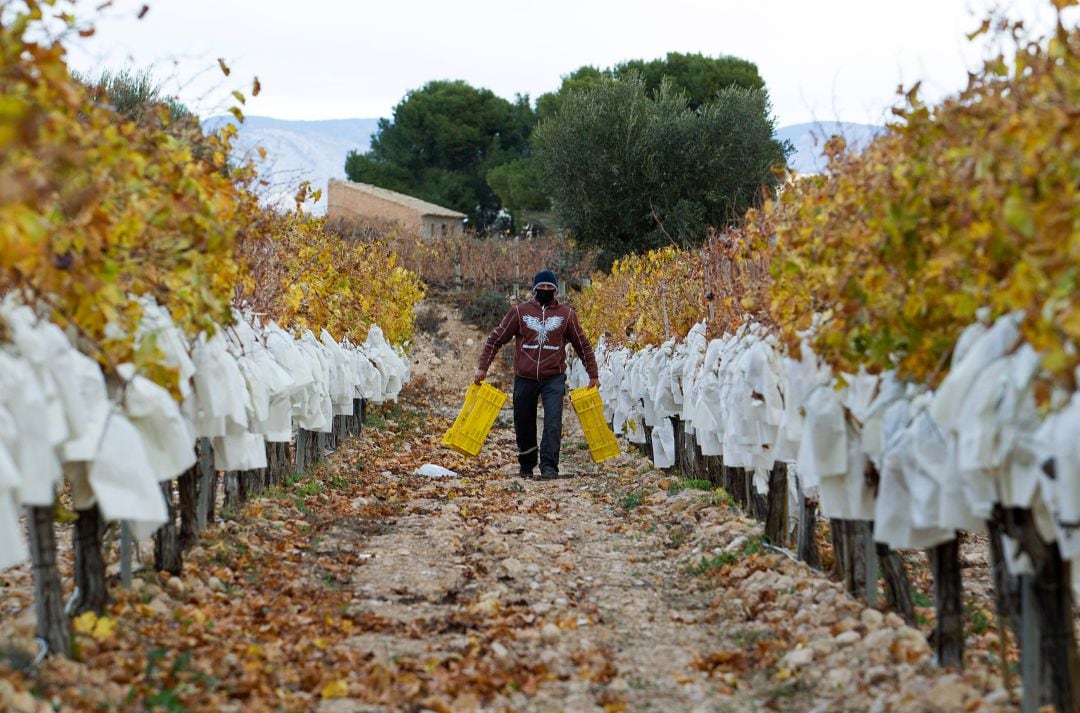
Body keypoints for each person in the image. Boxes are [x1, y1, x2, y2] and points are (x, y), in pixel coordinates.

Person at [474, 270, 599, 478]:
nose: (546, 291)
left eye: (550, 288)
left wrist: (592, 373)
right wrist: (482, 367)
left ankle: (549, 467)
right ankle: (527, 464)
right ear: (535, 289)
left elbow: (582, 345)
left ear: (556, 290)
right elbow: (496, 338)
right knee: (523, 422)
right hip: (525, 377)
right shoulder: (520, 312)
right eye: (542, 287)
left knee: (552, 422)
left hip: (554, 377)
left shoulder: (566, 315)